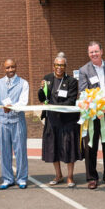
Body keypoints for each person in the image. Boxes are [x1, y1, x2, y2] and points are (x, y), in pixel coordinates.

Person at [78, 41, 105, 189]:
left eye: (96, 51)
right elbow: (83, 92)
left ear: (101, 51)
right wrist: (96, 104)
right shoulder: (84, 70)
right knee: (91, 146)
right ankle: (92, 177)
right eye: (91, 52)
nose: (94, 54)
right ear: (88, 54)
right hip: (92, 114)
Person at [38, 54, 82, 187]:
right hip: (52, 120)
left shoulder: (72, 81)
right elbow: (42, 98)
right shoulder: (47, 78)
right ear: (53, 66)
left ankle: (70, 176)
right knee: (53, 148)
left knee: (69, 148)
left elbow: (72, 100)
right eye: (57, 65)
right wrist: (41, 88)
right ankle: (58, 175)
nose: (59, 67)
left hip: (67, 121)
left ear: (65, 67)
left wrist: (57, 107)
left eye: (62, 65)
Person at [0, 59, 30, 189]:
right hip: (2, 122)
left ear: (16, 67)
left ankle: (22, 178)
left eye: (12, 67)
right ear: (4, 68)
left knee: (20, 150)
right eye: (8, 68)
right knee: (4, 151)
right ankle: (7, 178)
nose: (10, 70)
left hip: (17, 121)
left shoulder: (23, 83)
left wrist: (11, 107)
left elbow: (23, 102)